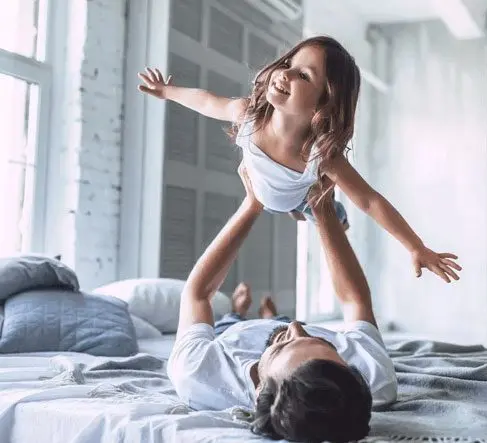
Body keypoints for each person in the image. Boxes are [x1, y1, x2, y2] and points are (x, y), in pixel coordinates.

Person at [138, 35, 461, 283]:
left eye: (303, 76)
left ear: (326, 101)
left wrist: (415, 246)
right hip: (263, 186)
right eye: (288, 65)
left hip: (301, 196)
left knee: (322, 208)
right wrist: (168, 92)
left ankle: (320, 213)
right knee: (290, 202)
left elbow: (370, 201)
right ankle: (296, 208)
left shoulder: (320, 155)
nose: (285, 74)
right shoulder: (247, 114)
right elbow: (208, 102)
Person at [167, 165, 397, 442]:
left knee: (230, 322)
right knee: (282, 323)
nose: (298, 327)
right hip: (271, 334)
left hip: (232, 337)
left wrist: (252, 204)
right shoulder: (375, 379)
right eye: (324, 345)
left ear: (259, 390)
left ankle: (241, 313)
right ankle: (271, 315)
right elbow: (355, 301)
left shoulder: (198, 372)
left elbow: (198, 294)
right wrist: (322, 209)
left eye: (283, 347)